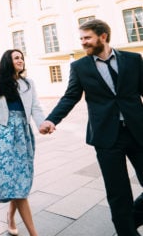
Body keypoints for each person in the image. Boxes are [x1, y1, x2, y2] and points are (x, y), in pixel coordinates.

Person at [39, 19, 143, 236]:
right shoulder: (80, 66)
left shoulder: (133, 60)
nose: (83, 42)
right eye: (81, 39)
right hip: (106, 138)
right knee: (118, 193)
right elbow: (70, 97)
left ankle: (128, 221)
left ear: (103, 36)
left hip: (138, 131)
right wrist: (52, 120)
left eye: (87, 38)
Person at [0, 49, 45, 236]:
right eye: (16, 57)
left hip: (23, 133)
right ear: (7, 61)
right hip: (2, 134)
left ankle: (10, 215)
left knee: (20, 179)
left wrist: (43, 124)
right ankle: (34, 233)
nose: (20, 60)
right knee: (14, 181)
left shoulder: (29, 83)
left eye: (22, 58)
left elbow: (35, 107)